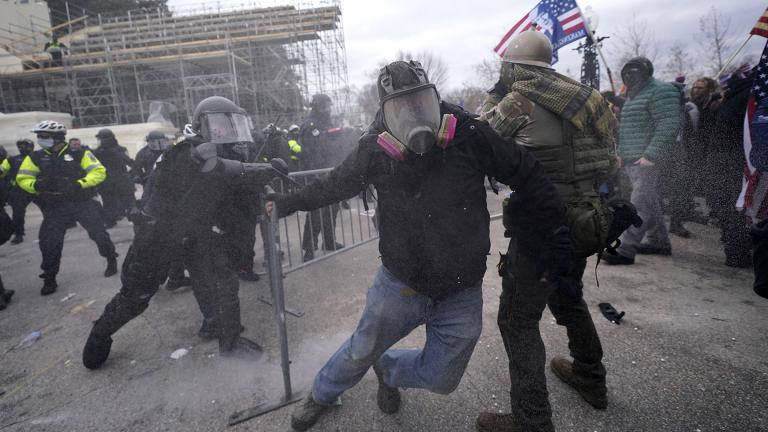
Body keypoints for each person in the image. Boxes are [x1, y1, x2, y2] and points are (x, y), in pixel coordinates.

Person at [267, 60, 568, 432]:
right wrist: (284, 204)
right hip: (399, 285)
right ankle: (321, 394)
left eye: (420, 102)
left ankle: (389, 368)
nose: (414, 115)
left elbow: (528, 171)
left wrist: (553, 230)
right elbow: (331, 187)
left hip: (461, 290)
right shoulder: (373, 150)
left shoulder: (471, 136)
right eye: (400, 107)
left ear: (435, 99)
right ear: (384, 113)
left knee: (443, 378)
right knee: (360, 349)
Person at [475, 30, 618, 432]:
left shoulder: (520, 99)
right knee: (568, 294)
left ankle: (531, 421)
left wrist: (492, 96)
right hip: (589, 217)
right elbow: (611, 160)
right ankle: (591, 378)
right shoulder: (588, 98)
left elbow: (481, 140)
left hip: (543, 222)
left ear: (514, 67)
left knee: (517, 319)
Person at [81, 97, 285, 369]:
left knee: (221, 284)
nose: (229, 131)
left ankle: (227, 338)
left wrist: (268, 173)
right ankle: (99, 335)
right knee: (136, 297)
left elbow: (234, 187)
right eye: (222, 124)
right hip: (160, 235)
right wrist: (259, 170)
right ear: (204, 124)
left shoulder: (224, 152)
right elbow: (219, 173)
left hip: (195, 233)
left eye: (233, 124)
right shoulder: (187, 153)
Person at [16, 121, 118, 295]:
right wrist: (37, 185)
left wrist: (80, 184)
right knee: (50, 243)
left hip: (82, 202)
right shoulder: (35, 157)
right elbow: (22, 178)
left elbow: (98, 172)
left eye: (44, 136)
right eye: (39, 136)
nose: (40, 139)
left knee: (99, 233)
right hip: (55, 206)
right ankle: (49, 277)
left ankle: (110, 258)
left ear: (57, 137)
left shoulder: (79, 153)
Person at [603, 57, 681, 265]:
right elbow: (628, 130)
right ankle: (659, 241)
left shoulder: (662, 91)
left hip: (648, 160)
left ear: (646, 71)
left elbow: (669, 124)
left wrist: (651, 154)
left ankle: (626, 249)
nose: (629, 75)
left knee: (638, 205)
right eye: (626, 72)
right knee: (649, 201)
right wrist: (621, 153)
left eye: (634, 71)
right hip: (632, 159)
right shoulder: (632, 96)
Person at [130, 130, 191, 290]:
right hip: (155, 201)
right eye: (155, 143)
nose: (159, 146)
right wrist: (140, 178)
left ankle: (174, 277)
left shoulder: (170, 153)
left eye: (161, 142)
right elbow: (136, 171)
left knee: (172, 243)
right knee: (160, 244)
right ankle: (152, 279)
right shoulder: (144, 154)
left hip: (161, 200)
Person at [707, 67, 754, 267]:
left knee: (729, 203)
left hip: (721, 156)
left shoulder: (730, 97)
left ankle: (734, 247)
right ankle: (737, 251)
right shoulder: (746, 97)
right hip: (736, 157)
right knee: (738, 204)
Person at [299, 93, 345, 262]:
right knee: (316, 211)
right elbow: (311, 151)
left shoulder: (327, 123)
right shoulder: (310, 125)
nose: (327, 109)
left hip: (330, 172)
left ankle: (330, 241)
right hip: (316, 174)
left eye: (328, 106)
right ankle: (309, 248)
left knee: (332, 209)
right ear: (316, 107)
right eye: (324, 106)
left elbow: (335, 147)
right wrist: (328, 136)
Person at [93, 129, 136, 228]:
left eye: (100, 138)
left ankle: (129, 218)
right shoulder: (99, 151)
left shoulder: (117, 150)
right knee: (110, 202)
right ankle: (111, 220)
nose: (99, 141)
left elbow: (129, 162)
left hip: (118, 179)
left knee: (127, 201)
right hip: (110, 180)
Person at [0, 139, 35, 244]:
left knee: (52, 208)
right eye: (20, 146)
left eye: (25, 146)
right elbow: (2, 169)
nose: (22, 148)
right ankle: (18, 234)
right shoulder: (13, 159)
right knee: (18, 213)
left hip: (37, 188)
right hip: (20, 191)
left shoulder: (38, 157)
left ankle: (66, 223)